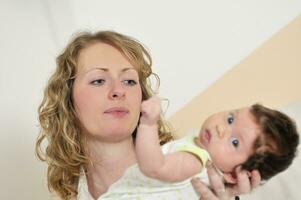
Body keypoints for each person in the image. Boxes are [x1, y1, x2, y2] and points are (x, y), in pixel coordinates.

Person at [35, 30, 260, 200]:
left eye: (129, 81)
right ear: (68, 100)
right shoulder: (76, 194)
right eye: (98, 80)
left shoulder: (194, 171)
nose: (118, 91)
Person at [136, 96, 299, 198]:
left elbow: (155, 167)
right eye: (230, 119)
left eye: (235, 142)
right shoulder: (198, 149)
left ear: (235, 175)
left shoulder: (196, 161)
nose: (220, 129)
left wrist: (148, 125)